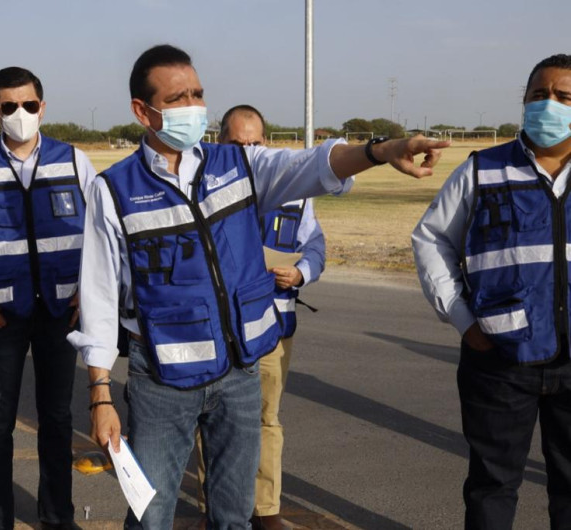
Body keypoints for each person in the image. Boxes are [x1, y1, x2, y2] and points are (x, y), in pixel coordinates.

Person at [68, 44, 447, 529]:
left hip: (240, 374)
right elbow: (98, 298)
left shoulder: (238, 165)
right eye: (178, 97)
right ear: (143, 111)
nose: (193, 107)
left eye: (198, 94)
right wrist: (100, 395)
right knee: (151, 515)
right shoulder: (114, 190)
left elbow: (311, 165)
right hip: (162, 382)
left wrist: (380, 151)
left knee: (234, 515)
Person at [412, 53, 571, 529]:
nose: (551, 104)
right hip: (498, 360)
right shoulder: (481, 170)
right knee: (492, 488)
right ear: (523, 101)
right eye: (540, 94)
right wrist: (463, 320)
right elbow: (430, 239)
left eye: (564, 97)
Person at [0, 66, 96, 530]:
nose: (20, 114)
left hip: (59, 312)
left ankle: (57, 517)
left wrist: (87, 294)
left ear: (43, 108)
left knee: (57, 419)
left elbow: (99, 236)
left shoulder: (73, 160)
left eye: (29, 105)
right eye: (9, 106)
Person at [192, 105, 328, 530]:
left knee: (265, 420)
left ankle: (265, 508)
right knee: (210, 422)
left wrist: (302, 271)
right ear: (219, 143)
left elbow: (317, 247)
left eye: (255, 143)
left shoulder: (296, 191)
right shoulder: (198, 189)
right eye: (238, 144)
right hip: (216, 331)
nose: (248, 152)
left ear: (265, 143)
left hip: (272, 332)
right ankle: (213, 506)